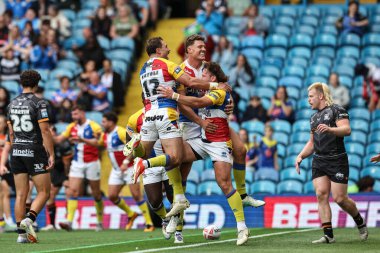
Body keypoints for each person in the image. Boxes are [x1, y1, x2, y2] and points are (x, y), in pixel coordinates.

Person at [125, 36, 230, 219]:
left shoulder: (142, 69)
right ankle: (146, 165)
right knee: (175, 158)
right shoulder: (169, 64)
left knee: (143, 152)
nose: (169, 49)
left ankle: (137, 146)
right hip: (167, 114)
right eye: (165, 47)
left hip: (148, 114)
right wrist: (216, 85)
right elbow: (190, 83)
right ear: (158, 51)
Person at [158, 62, 250, 246]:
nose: (202, 77)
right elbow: (196, 97)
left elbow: (199, 103)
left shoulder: (219, 92)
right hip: (202, 140)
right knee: (173, 156)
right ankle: (179, 199)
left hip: (218, 144)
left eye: (205, 74)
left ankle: (242, 227)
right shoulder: (208, 88)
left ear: (213, 78)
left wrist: (174, 95)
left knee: (223, 183)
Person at [295, 82, 368, 244]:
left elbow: (346, 130)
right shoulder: (313, 118)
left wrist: (330, 129)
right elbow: (312, 143)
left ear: (321, 96)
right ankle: (328, 235)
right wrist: (301, 156)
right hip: (319, 160)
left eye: (311, 96)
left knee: (340, 199)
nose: (309, 100)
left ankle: (359, 221)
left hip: (337, 160)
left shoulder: (338, 110)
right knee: (321, 194)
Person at [6, 70, 55, 243]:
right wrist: (51, 154)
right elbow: (45, 130)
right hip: (34, 150)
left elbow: (11, 133)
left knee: (20, 194)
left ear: (21, 83)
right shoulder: (38, 103)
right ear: (36, 84)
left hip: (17, 151)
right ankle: (29, 220)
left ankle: (21, 235)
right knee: (44, 192)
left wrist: (15, 149)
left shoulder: (11, 104)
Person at [96, 112, 154, 232]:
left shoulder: (121, 132)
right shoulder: (105, 135)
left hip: (129, 168)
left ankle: (149, 224)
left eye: (104, 121)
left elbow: (134, 145)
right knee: (112, 195)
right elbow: (98, 144)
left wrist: (126, 162)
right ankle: (131, 214)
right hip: (117, 170)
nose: (102, 123)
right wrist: (83, 140)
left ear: (111, 122)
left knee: (136, 195)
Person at [55, 105, 104, 232]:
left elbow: (99, 143)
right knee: (72, 191)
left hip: (92, 162)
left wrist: (82, 139)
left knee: (96, 193)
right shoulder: (71, 127)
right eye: (72, 115)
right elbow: (59, 140)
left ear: (82, 113)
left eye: (76, 114)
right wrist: (48, 135)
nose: (74, 117)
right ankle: (69, 222)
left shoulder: (94, 126)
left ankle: (99, 222)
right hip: (77, 162)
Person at [41, 126, 72, 231]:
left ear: (55, 134)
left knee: (69, 192)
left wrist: (67, 178)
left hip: (67, 170)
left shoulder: (63, 144)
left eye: (51, 132)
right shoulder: (42, 145)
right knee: (51, 194)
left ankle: (68, 220)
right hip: (55, 171)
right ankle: (52, 225)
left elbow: (67, 163)